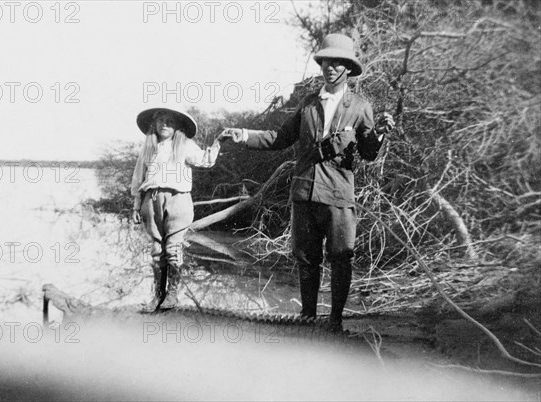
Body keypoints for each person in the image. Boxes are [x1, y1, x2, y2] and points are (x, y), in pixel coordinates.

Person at [221, 34, 395, 328]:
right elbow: (278, 138)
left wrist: (379, 134)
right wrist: (242, 135)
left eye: (336, 62)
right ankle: (308, 317)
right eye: (325, 61)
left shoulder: (360, 107)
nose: (329, 67)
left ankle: (336, 321)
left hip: (338, 195)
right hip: (304, 192)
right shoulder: (309, 103)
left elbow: (367, 153)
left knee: (341, 256)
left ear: (347, 69)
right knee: (305, 257)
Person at [131, 107, 225, 310]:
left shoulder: (184, 145)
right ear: (153, 124)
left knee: (173, 248)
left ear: (176, 126)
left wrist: (218, 143)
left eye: (169, 121)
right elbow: (139, 177)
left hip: (178, 199)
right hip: (152, 198)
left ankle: (172, 295)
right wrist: (137, 205)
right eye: (160, 120)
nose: (164, 124)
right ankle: (158, 295)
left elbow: (205, 160)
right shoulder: (148, 148)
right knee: (157, 249)